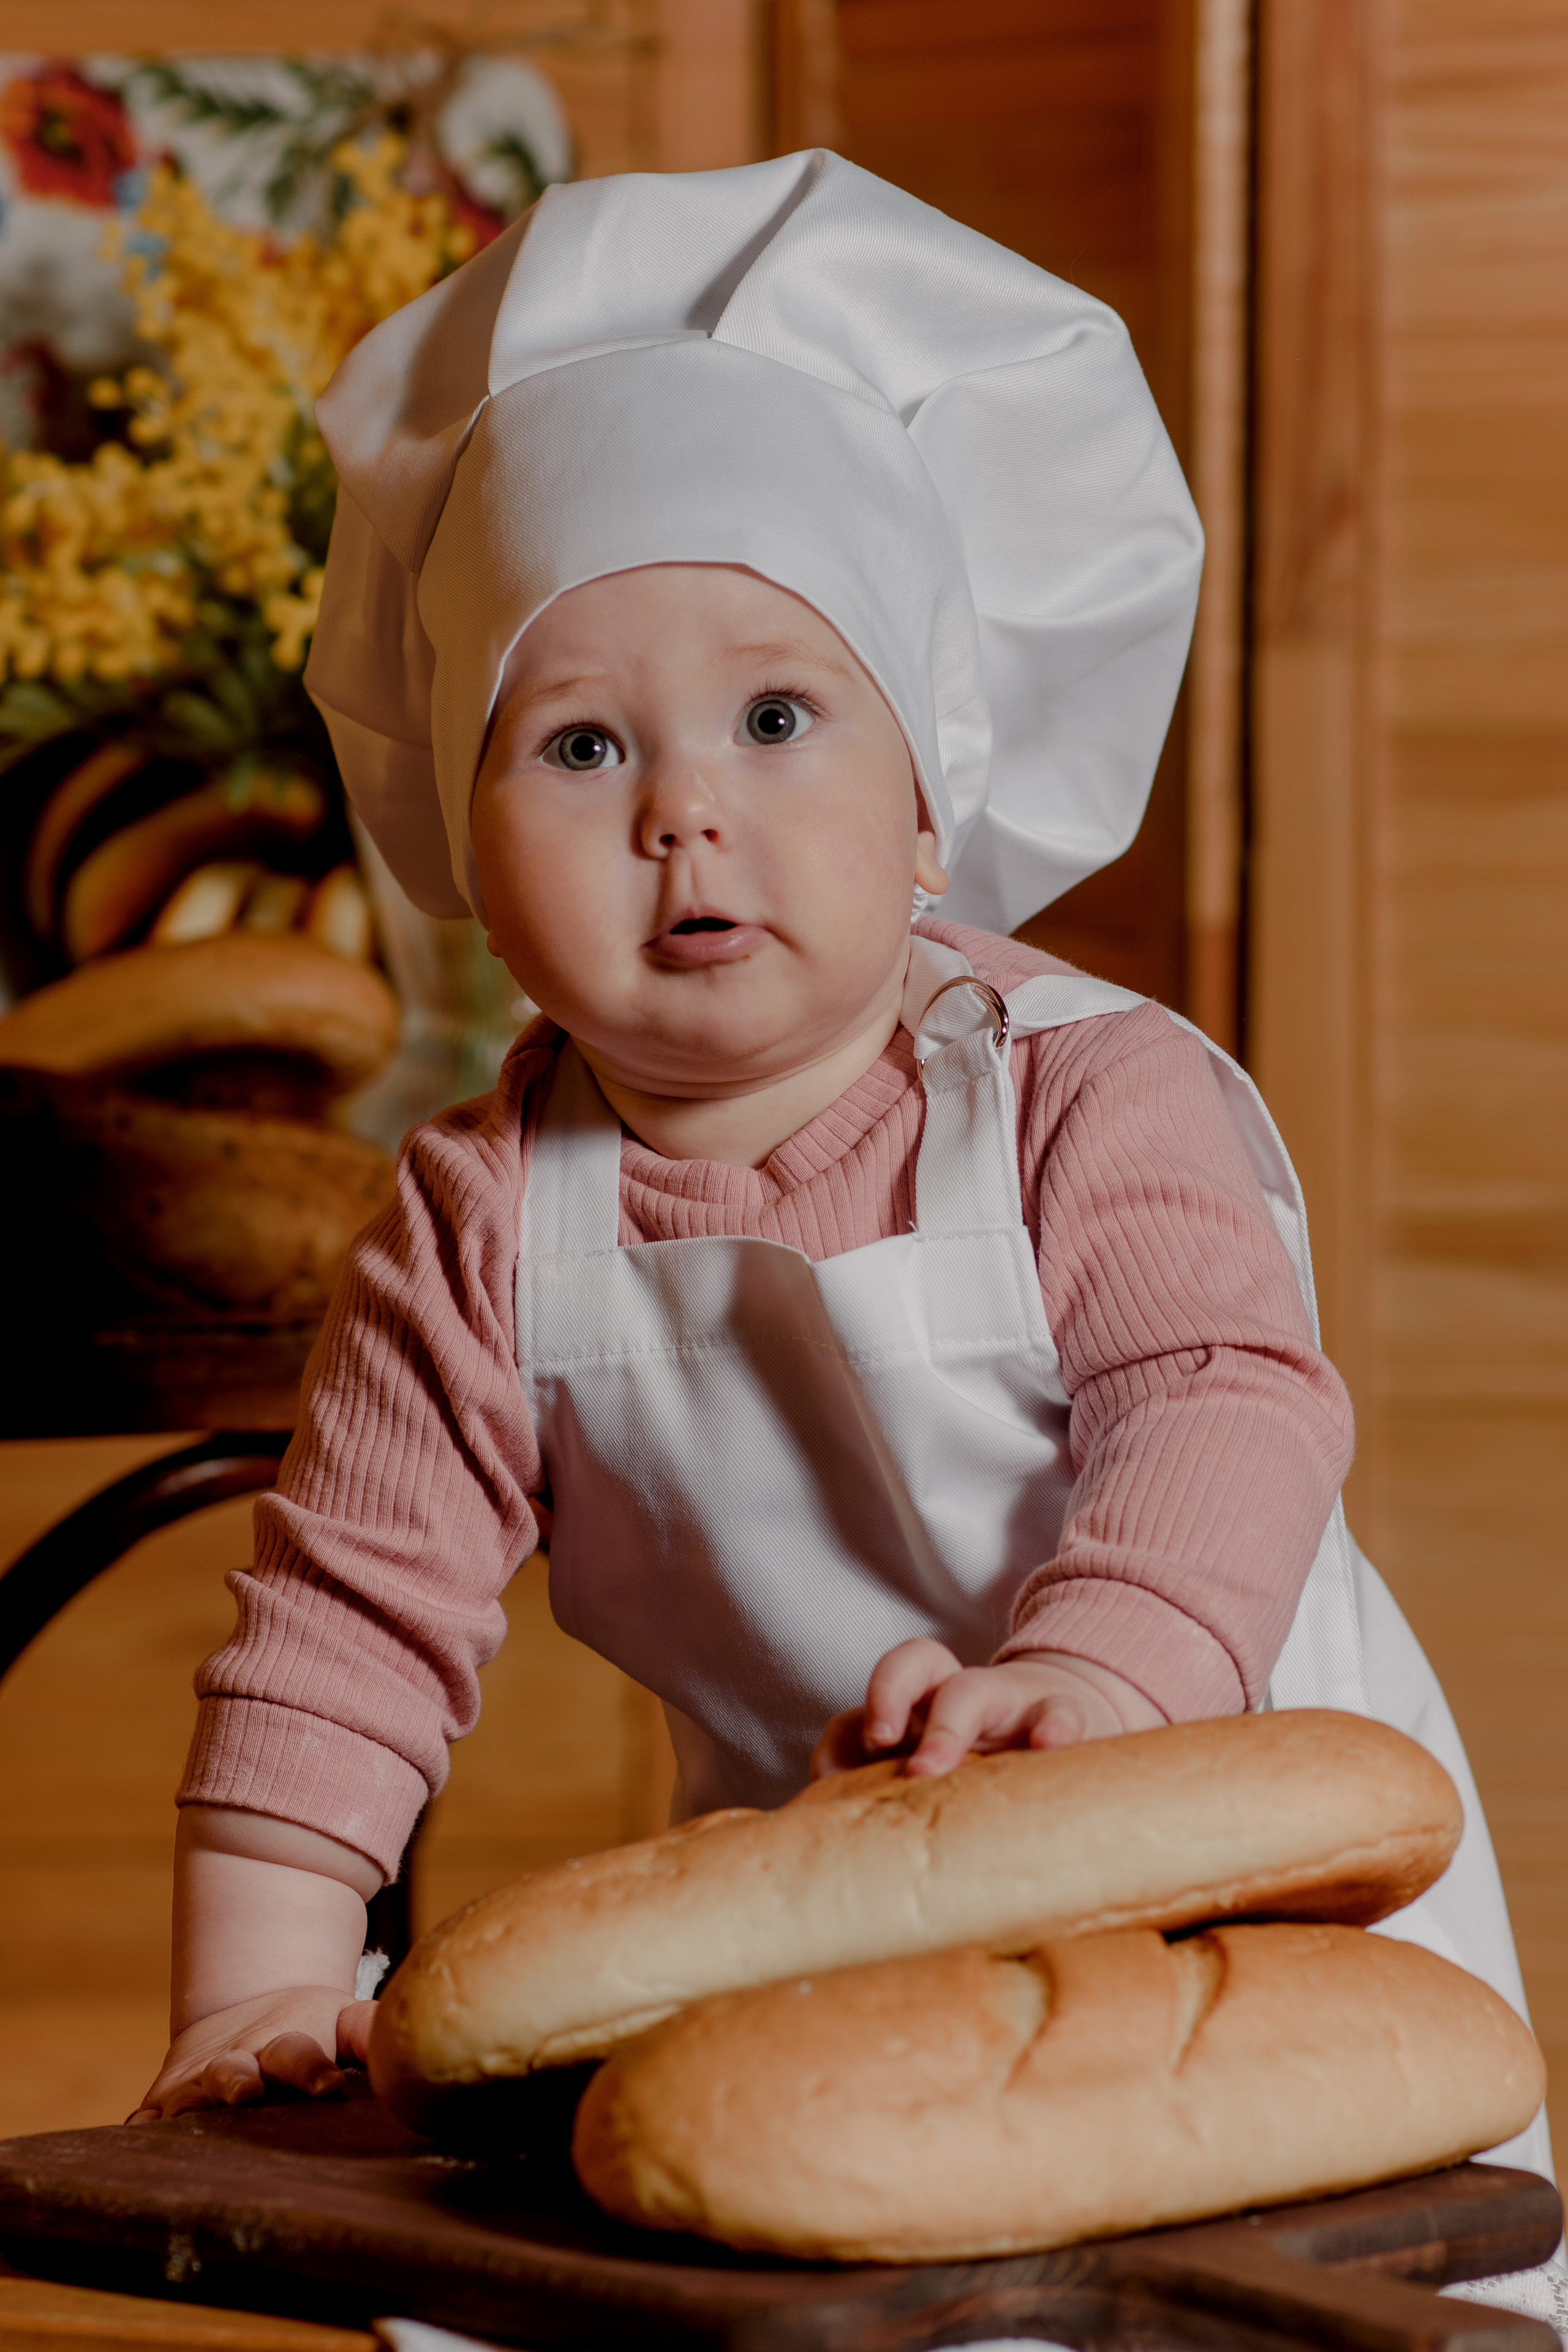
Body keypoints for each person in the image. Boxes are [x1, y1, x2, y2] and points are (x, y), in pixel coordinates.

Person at [131, 152, 1548, 2184]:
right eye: (583, 748)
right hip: (845, 1880)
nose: (686, 813)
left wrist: (1095, 1675)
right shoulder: (476, 1222)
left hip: (1234, 1823)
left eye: (778, 716)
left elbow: (1226, 1403)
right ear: (462, 858)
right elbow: (343, 1626)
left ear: (926, 805)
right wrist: (255, 1994)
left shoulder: (1083, 1095)